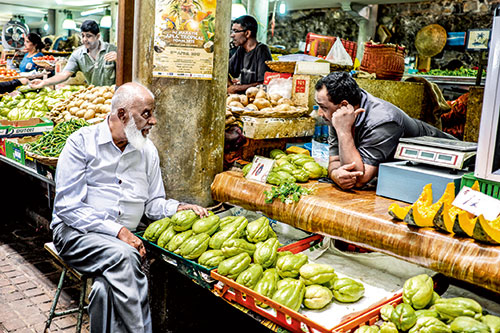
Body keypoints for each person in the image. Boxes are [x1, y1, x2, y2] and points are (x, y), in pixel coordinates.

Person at [51, 82, 208, 332]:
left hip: (122, 241)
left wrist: (177, 208)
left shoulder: (147, 151)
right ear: (122, 114)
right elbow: (69, 208)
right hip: (76, 234)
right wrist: (118, 232)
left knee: (104, 289)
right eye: (146, 113)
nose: (153, 121)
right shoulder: (81, 143)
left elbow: (153, 202)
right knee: (124, 256)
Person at [315, 71, 456, 190]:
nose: (319, 113)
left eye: (324, 107)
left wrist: (344, 131)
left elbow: (358, 178)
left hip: (452, 163)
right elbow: (335, 161)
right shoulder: (339, 115)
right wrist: (335, 174)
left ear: (343, 105)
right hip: (403, 178)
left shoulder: (383, 120)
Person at [30, 20, 117, 88]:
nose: (84, 40)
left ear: (97, 36)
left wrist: (118, 59)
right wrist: (44, 82)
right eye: (82, 35)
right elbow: (65, 74)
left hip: (117, 96)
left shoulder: (112, 50)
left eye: (88, 36)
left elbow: (129, 71)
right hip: (96, 98)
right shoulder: (78, 55)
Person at [227, 15, 272, 94]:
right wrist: (230, 84)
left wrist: (236, 88)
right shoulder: (241, 50)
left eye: (235, 31)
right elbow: (225, 69)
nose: (232, 35)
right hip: (243, 99)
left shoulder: (262, 50)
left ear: (247, 33)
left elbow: (263, 84)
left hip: (257, 99)